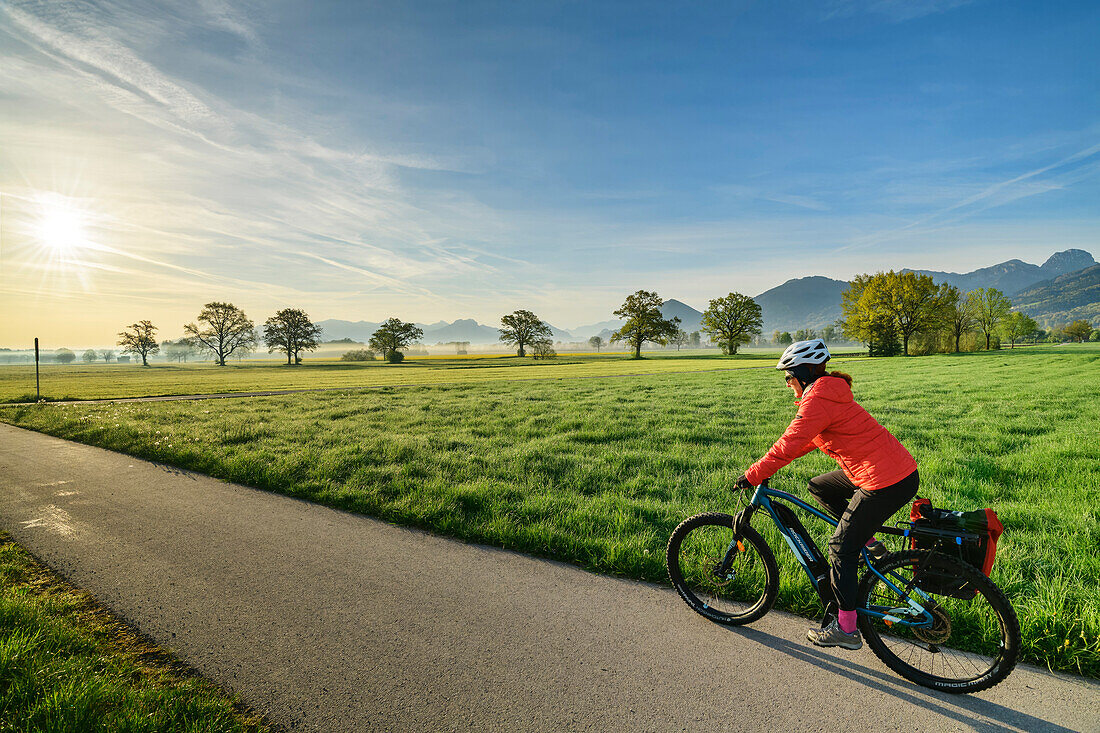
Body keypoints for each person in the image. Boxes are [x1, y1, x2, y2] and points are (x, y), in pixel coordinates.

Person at [734, 339, 918, 650]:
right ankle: (870, 544)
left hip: (882, 480)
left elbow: (789, 443)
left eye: (788, 377)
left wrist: (753, 474)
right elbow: (807, 440)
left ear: (802, 373)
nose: (788, 384)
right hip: (892, 470)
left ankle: (846, 629)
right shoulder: (829, 392)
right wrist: (773, 465)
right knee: (820, 486)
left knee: (840, 549)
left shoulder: (817, 398)